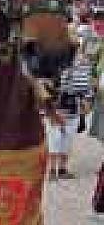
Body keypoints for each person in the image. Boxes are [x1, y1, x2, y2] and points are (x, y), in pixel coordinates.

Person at [45, 44, 94, 180]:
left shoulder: (83, 66)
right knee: (54, 139)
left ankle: (61, 169)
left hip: (72, 108)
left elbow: (87, 87)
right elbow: (47, 85)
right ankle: (52, 170)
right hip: (56, 108)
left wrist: (87, 99)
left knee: (67, 139)